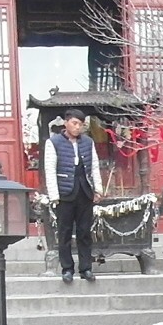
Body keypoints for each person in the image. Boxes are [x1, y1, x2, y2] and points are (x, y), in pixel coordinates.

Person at [44, 112, 101, 282]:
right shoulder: (53, 142)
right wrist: (54, 195)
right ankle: (67, 268)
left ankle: (86, 268)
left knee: (84, 231)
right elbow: (50, 169)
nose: (77, 127)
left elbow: (94, 166)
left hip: (84, 190)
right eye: (75, 123)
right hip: (64, 192)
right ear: (66, 123)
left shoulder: (88, 142)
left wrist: (98, 189)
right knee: (65, 232)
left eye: (81, 124)